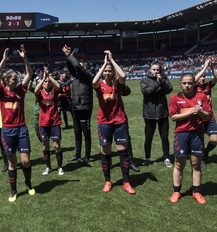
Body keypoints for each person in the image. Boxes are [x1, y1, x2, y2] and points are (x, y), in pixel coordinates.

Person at [0, 45, 35, 202]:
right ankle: (13, 190)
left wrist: (25, 58)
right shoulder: (2, 92)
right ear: (6, 81)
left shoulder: (21, 91)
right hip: (7, 131)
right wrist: (3, 60)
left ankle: (28, 184)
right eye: (14, 78)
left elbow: (29, 73)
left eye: (17, 78)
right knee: (12, 163)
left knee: (25, 160)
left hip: (21, 129)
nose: (17, 79)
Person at [92, 50, 135, 194]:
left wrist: (112, 60)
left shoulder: (118, 84)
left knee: (122, 151)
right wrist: (104, 64)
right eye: (106, 71)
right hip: (104, 122)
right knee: (106, 151)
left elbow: (122, 75)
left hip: (119, 121)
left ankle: (126, 182)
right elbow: (93, 82)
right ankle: (108, 181)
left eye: (110, 71)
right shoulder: (99, 86)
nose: (108, 73)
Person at [168, 73, 211, 204]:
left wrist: (199, 112)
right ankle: (176, 191)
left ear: (194, 84)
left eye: (190, 83)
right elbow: (173, 117)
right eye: (184, 83)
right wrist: (190, 112)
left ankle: (197, 191)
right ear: (180, 84)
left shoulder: (202, 97)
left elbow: (208, 116)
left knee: (196, 164)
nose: (187, 86)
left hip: (197, 134)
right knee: (179, 164)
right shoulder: (175, 98)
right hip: (181, 134)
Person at [62, 44, 94, 164]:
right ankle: (77, 155)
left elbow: (77, 67)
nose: (77, 69)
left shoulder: (88, 75)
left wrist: (69, 55)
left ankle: (87, 156)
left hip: (85, 106)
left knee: (86, 133)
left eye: (80, 67)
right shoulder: (76, 76)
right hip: (75, 106)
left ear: (84, 68)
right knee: (77, 132)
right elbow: (72, 68)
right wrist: (68, 58)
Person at [140, 62, 173, 167]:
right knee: (148, 137)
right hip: (149, 114)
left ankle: (166, 157)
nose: (155, 72)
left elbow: (169, 90)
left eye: (157, 70)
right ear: (150, 70)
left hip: (162, 113)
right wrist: (158, 83)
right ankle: (147, 158)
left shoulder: (163, 79)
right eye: (154, 69)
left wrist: (162, 81)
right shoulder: (144, 80)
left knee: (164, 137)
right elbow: (147, 91)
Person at [35, 66, 64, 176]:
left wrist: (49, 76)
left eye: (48, 82)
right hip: (43, 123)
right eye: (45, 82)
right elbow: (36, 90)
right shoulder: (40, 93)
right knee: (45, 146)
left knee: (57, 146)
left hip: (55, 122)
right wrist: (43, 78)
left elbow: (58, 85)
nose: (47, 83)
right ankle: (48, 167)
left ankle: (60, 167)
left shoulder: (54, 92)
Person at [194, 57, 217, 168]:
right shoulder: (193, 87)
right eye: (201, 76)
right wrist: (203, 67)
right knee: (200, 140)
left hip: (210, 117)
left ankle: (207, 151)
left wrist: (211, 66)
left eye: (204, 76)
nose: (203, 78)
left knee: (214, 140)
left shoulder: (207, 86)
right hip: (198, 118)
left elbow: (216, 77)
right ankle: (202, 158)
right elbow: (194, 80)